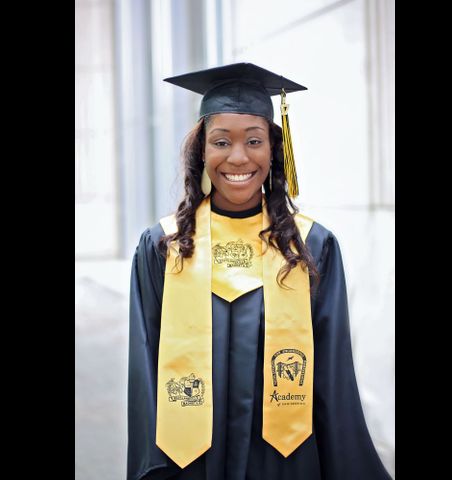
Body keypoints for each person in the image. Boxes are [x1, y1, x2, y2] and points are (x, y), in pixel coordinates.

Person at [127, 62, 391, 480]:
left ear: (273, 150)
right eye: (221, 141)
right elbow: (144, 372)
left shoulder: (311, 246)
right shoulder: (164, 246)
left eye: (254, 141)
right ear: (201, 152)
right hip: (189, 460)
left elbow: (332, 376)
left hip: (285, 458)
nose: (238, 157)